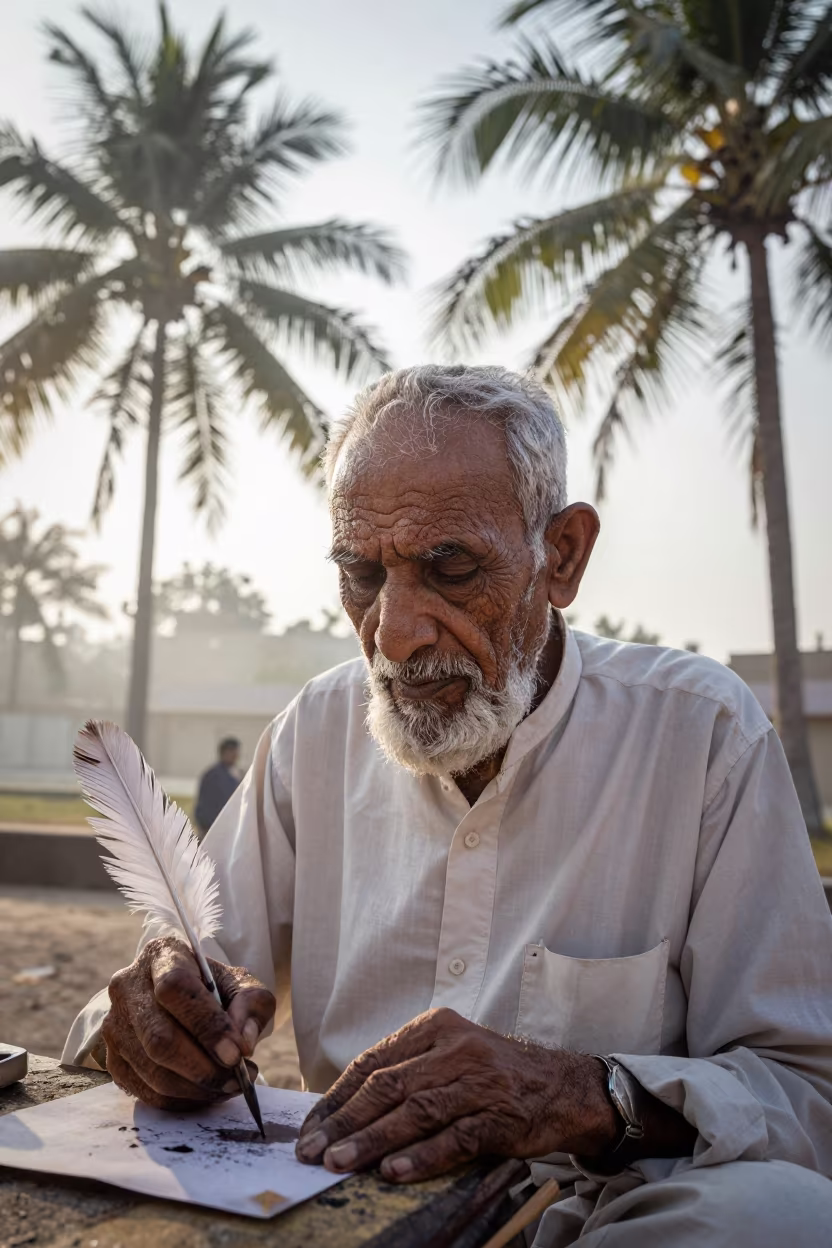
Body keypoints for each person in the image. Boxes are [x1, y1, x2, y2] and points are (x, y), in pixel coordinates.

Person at [64, 366, 832, 1246]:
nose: (393, 634)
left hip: (594, 1221)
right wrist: (159, 1021)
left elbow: (806, 1094)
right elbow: (182, 987)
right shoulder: (318, 727)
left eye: (451, 567)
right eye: (361, 573)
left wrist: (577, 1095)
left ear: (564, 558)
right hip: (341, 1210)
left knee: (785, 1217)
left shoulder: (700, 734)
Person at [193, 737, 241, 837]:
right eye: (232, 752)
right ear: (224, 753)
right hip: (212, 829)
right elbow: (206, 805)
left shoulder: (236, 775)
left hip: (229, 829)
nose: (235, 756)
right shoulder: (213, 776)